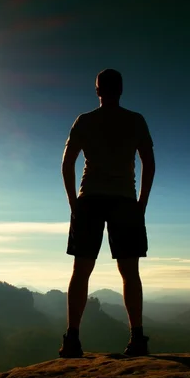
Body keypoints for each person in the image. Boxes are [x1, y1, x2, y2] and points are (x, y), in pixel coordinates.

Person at [59, 68, 155, 358]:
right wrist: (141, 204)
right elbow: (149, 164)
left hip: (89, 199)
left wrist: (73, 203)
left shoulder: (85, 121)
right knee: (130, 272)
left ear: (97, 90)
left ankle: (72, 339)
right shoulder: (135, 120)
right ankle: (137, 338)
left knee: (81, 270)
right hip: (125, 200)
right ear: (121, 89)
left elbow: (67, 163)